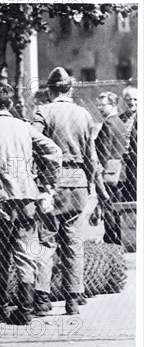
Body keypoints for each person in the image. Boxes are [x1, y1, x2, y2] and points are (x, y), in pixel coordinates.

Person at [0, 82, 62, 325]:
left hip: (1, 200)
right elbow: (54, 152)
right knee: (26, 251)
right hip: (28, 197)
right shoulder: (24, 126)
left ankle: (2, 305)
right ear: (11, 104)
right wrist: (47, 186)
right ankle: (25, 308)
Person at [31, 67, 109, 316]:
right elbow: (91, 156)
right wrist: (97, 187)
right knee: (73, 241)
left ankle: (42, 298)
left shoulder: (43, 112)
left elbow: (33, 142)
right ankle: (73, 298)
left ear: (50, 90)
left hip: (51, 181)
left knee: (45, 241)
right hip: (77, 181)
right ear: (70, 89)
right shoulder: (84, 115)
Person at [95, 91, 128, 245]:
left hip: (109, 173)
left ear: (113, 105)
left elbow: (104, 153)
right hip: (121, 172)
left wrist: (98, 172)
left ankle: (111, 240)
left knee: (108, 206)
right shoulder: (120, 122)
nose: (99, 108)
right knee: (117, 208)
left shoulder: (108, 124)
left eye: (102, 105)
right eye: (98, 105)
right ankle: (119, 239)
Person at [119, 85, 137, 203]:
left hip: (135, 161)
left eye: (135, 99)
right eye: (129, 99)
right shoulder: (121, 118)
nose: (132, 102)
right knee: (124, 193)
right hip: (122, 161)